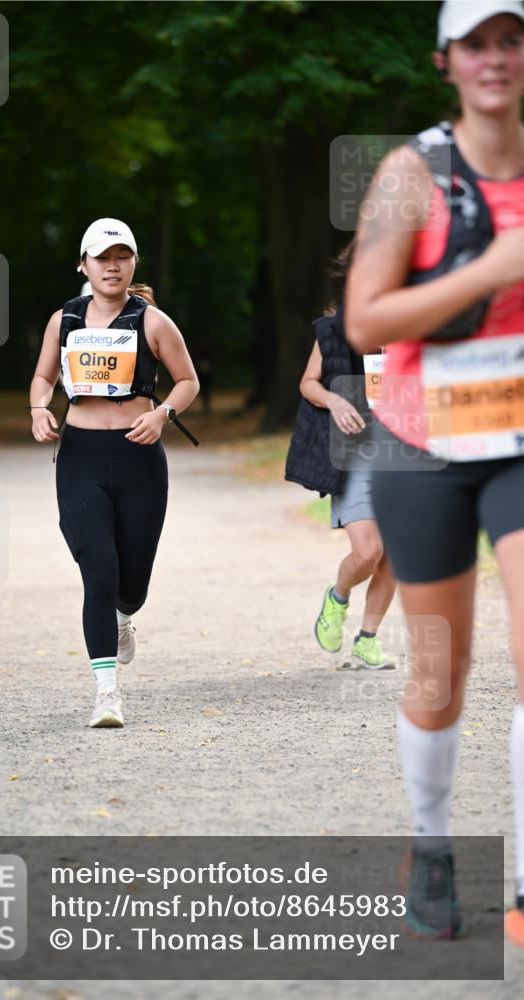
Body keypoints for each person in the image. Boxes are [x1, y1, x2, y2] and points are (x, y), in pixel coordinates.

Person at [346, 0, 524, 944]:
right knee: (438, 671)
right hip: (423, 444)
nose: (495, 58)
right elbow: (367, 320)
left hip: (522, 444)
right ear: (445, 60)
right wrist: (494, 266)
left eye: (512, 40)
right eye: (476, 43)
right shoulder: (412, 173)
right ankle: (432, 846)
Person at [30, 218, 199, 729]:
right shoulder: (65, 320)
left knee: (134, 585)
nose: (112, 266)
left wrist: (162, 414)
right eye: (102, 257)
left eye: (121, 256)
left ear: (132, 264)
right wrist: (39, 408)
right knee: (98, 571)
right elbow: (42, 377)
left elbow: (187, 381)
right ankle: (106, 693)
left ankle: (125, 618)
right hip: (81, 456)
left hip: (139, 459)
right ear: (83, 264)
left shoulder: (153, 322)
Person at [287, 289, 397, 670]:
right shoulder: (334, 331)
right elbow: (308, 383)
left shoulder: (416, 328)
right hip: (357, 455)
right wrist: (335, 400)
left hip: (403, 453)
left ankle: (367, 640)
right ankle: (338, 597)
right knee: (368, 552)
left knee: (394, 558)